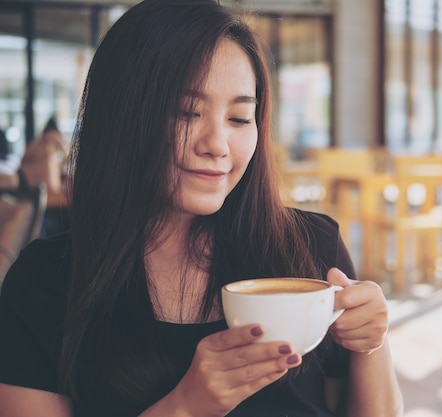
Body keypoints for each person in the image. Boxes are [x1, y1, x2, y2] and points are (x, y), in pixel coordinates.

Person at [0, 1, 403, 416]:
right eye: (188, 112)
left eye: (240, 118)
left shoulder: (311, 247)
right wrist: (186, 406)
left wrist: (371, 343)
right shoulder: (44, 284)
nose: (217, 144)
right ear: (123, 115)